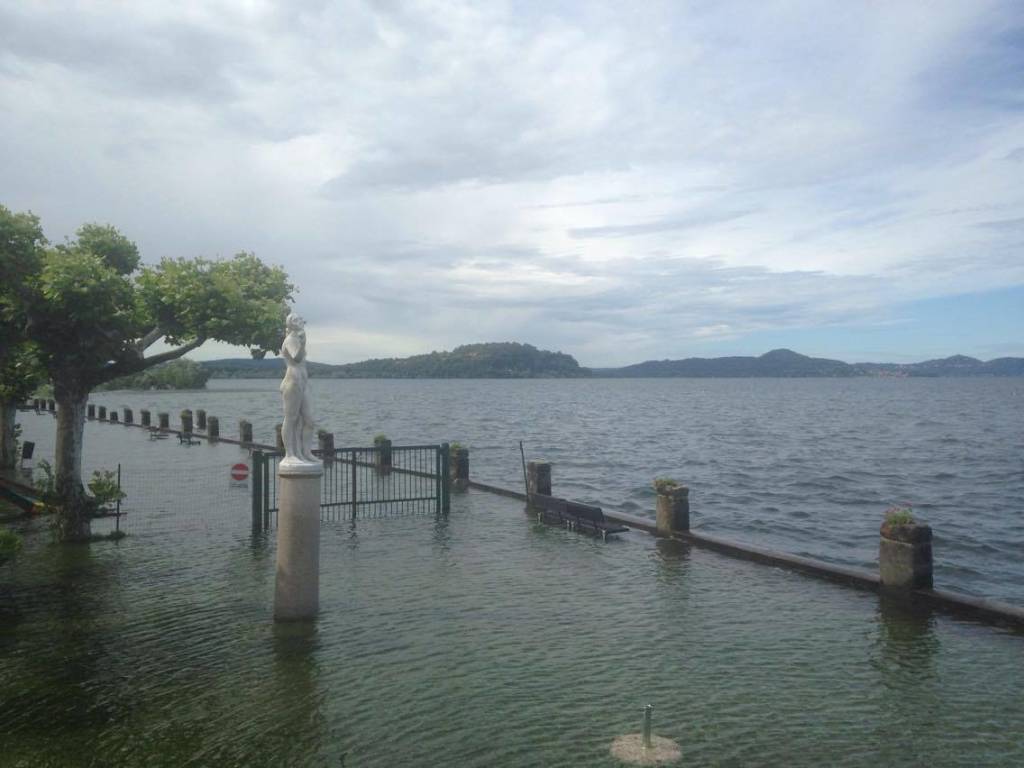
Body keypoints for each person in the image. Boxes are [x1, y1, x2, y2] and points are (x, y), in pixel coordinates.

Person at [280, 312, 317, 464]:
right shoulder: (290, 340)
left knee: (310, 420)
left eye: (300, 318)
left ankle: (306, 452)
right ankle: (290, 453)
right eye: (295, 319)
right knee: (291, 418)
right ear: (290, 324)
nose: (299, 321)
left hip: (303, 383)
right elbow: (297, 357)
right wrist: (303, 343)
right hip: (292, 382)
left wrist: (303, 341)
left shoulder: (298, 338)